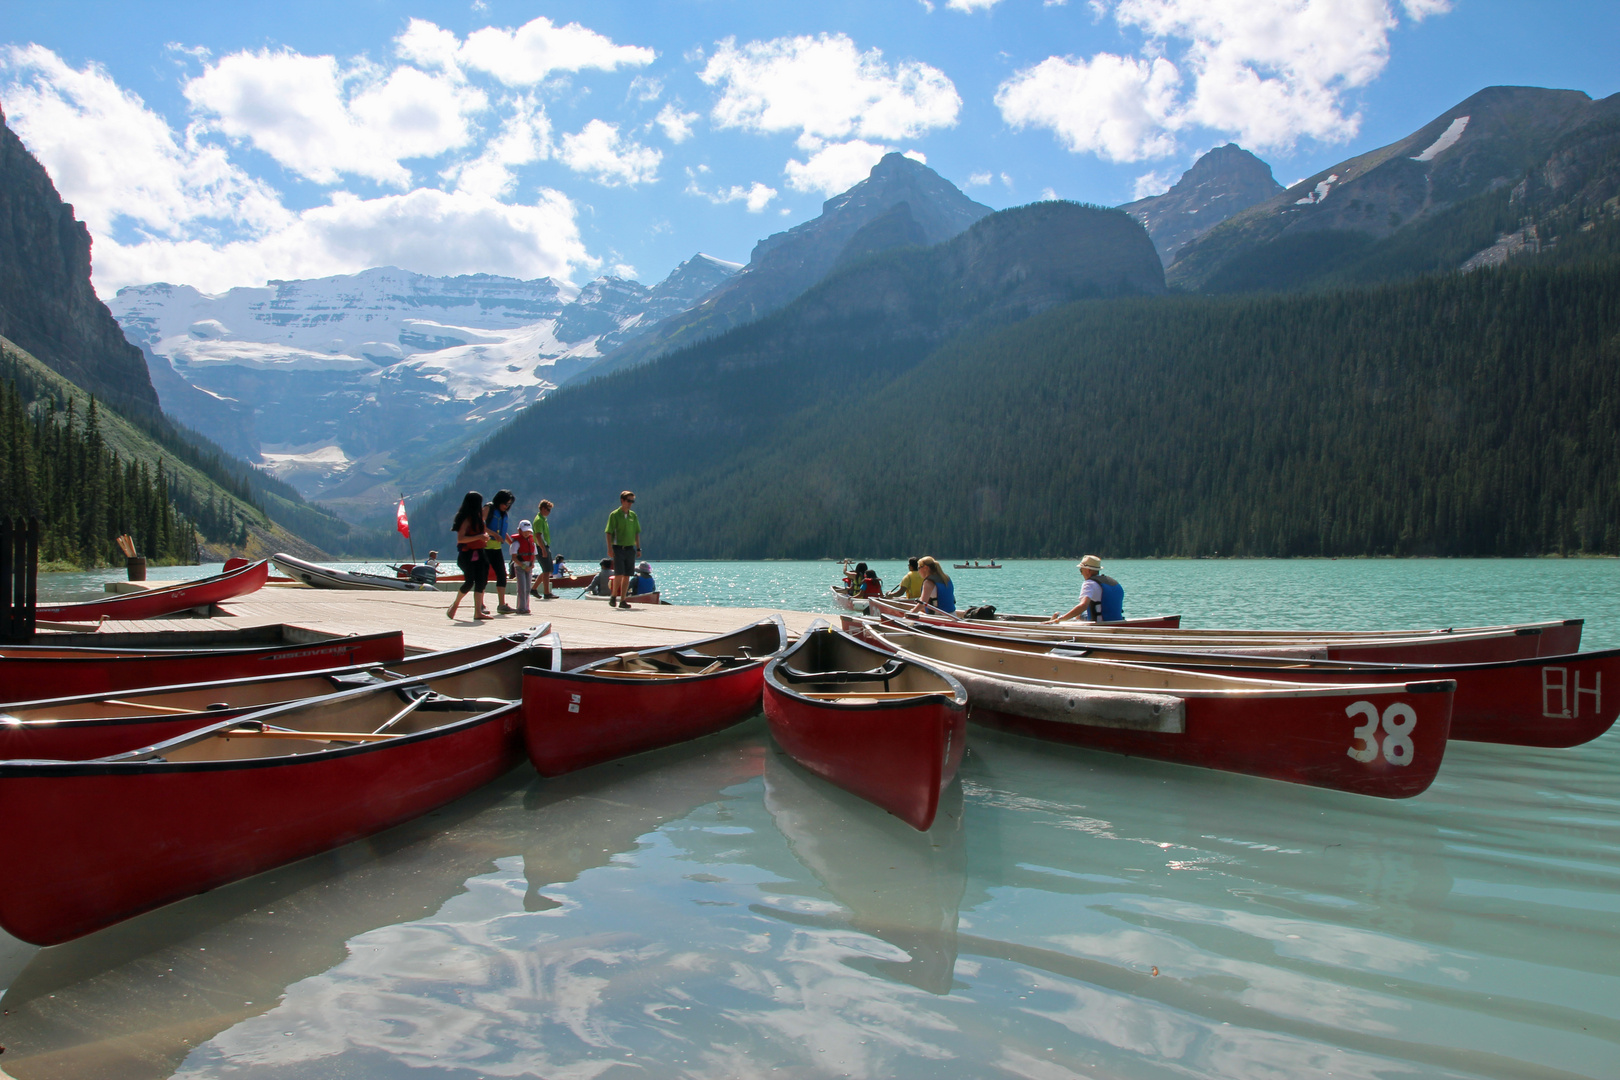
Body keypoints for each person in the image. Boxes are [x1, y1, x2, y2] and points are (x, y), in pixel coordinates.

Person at [446, 492, 494, 621]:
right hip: (467, 555)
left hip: (480, 552)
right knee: (469, 581)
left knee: (482, 581)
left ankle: (478, 611)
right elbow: (461, 539)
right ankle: (455, 605)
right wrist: (479, 537)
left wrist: (484, 538)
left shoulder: (479, 519)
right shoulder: (466, 519)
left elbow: (481, 534)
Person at [1050, 555, 1125, 623]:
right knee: (1080, 615)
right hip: (1117, 620)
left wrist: (1061, 618)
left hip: (1100, 623)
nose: (1081, 573)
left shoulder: (1089, 583)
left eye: (1081, 570)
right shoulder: (1114, 582)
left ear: (1088, 570)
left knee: (1057, 614)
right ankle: (1076, 619)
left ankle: (1052, 623)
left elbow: (1083, 605)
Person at [604, 490, 642, 609]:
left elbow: (636, 533)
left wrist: (638, 548)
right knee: (619, 574)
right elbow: (609, 532)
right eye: (629, 501)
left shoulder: (633, 516)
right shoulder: (614, 515)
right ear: (622, 501)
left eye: (632, 501)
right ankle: (614, 595)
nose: (630, 503)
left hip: (630, 548)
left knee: (627, 575)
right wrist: (609, 548)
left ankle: (623, 600)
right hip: (618, 547)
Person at [484, 490, 516, 613]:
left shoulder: (502, 514)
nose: (506, 506)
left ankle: (502, 604)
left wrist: (512, 544)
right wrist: (493, 534)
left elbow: (502, 532)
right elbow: (481, 525)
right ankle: (480, 604)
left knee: (502, 575)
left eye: (509, 505)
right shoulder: (489, 508)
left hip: (496, 548)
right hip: (485, 548)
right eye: (505, 503)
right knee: (483, 576)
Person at [511, 520, 538, 615]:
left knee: (527, 588)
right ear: (519, 530)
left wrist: (532, 564)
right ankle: (520, 607)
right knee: (521, 587)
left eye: (528, 532)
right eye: (524, 531)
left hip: (529, 567)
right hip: (520, 567)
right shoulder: (516, 543)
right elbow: (514, 557)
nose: (527, 533)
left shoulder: (532, 542)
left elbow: (534, 554)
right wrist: (522, 566)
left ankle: (526, 606)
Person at [532, 499, 557, 600]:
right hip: (540, 547)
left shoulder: (543, 519)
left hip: (545, 546)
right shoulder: (538, 520)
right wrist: (542, 549)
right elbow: (538, 536)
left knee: (548, 569)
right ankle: (547, 593)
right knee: (546, 570)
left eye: (550, 510)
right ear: (542, 508)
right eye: (548, 509)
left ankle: (534, 588)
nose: (549, 512)